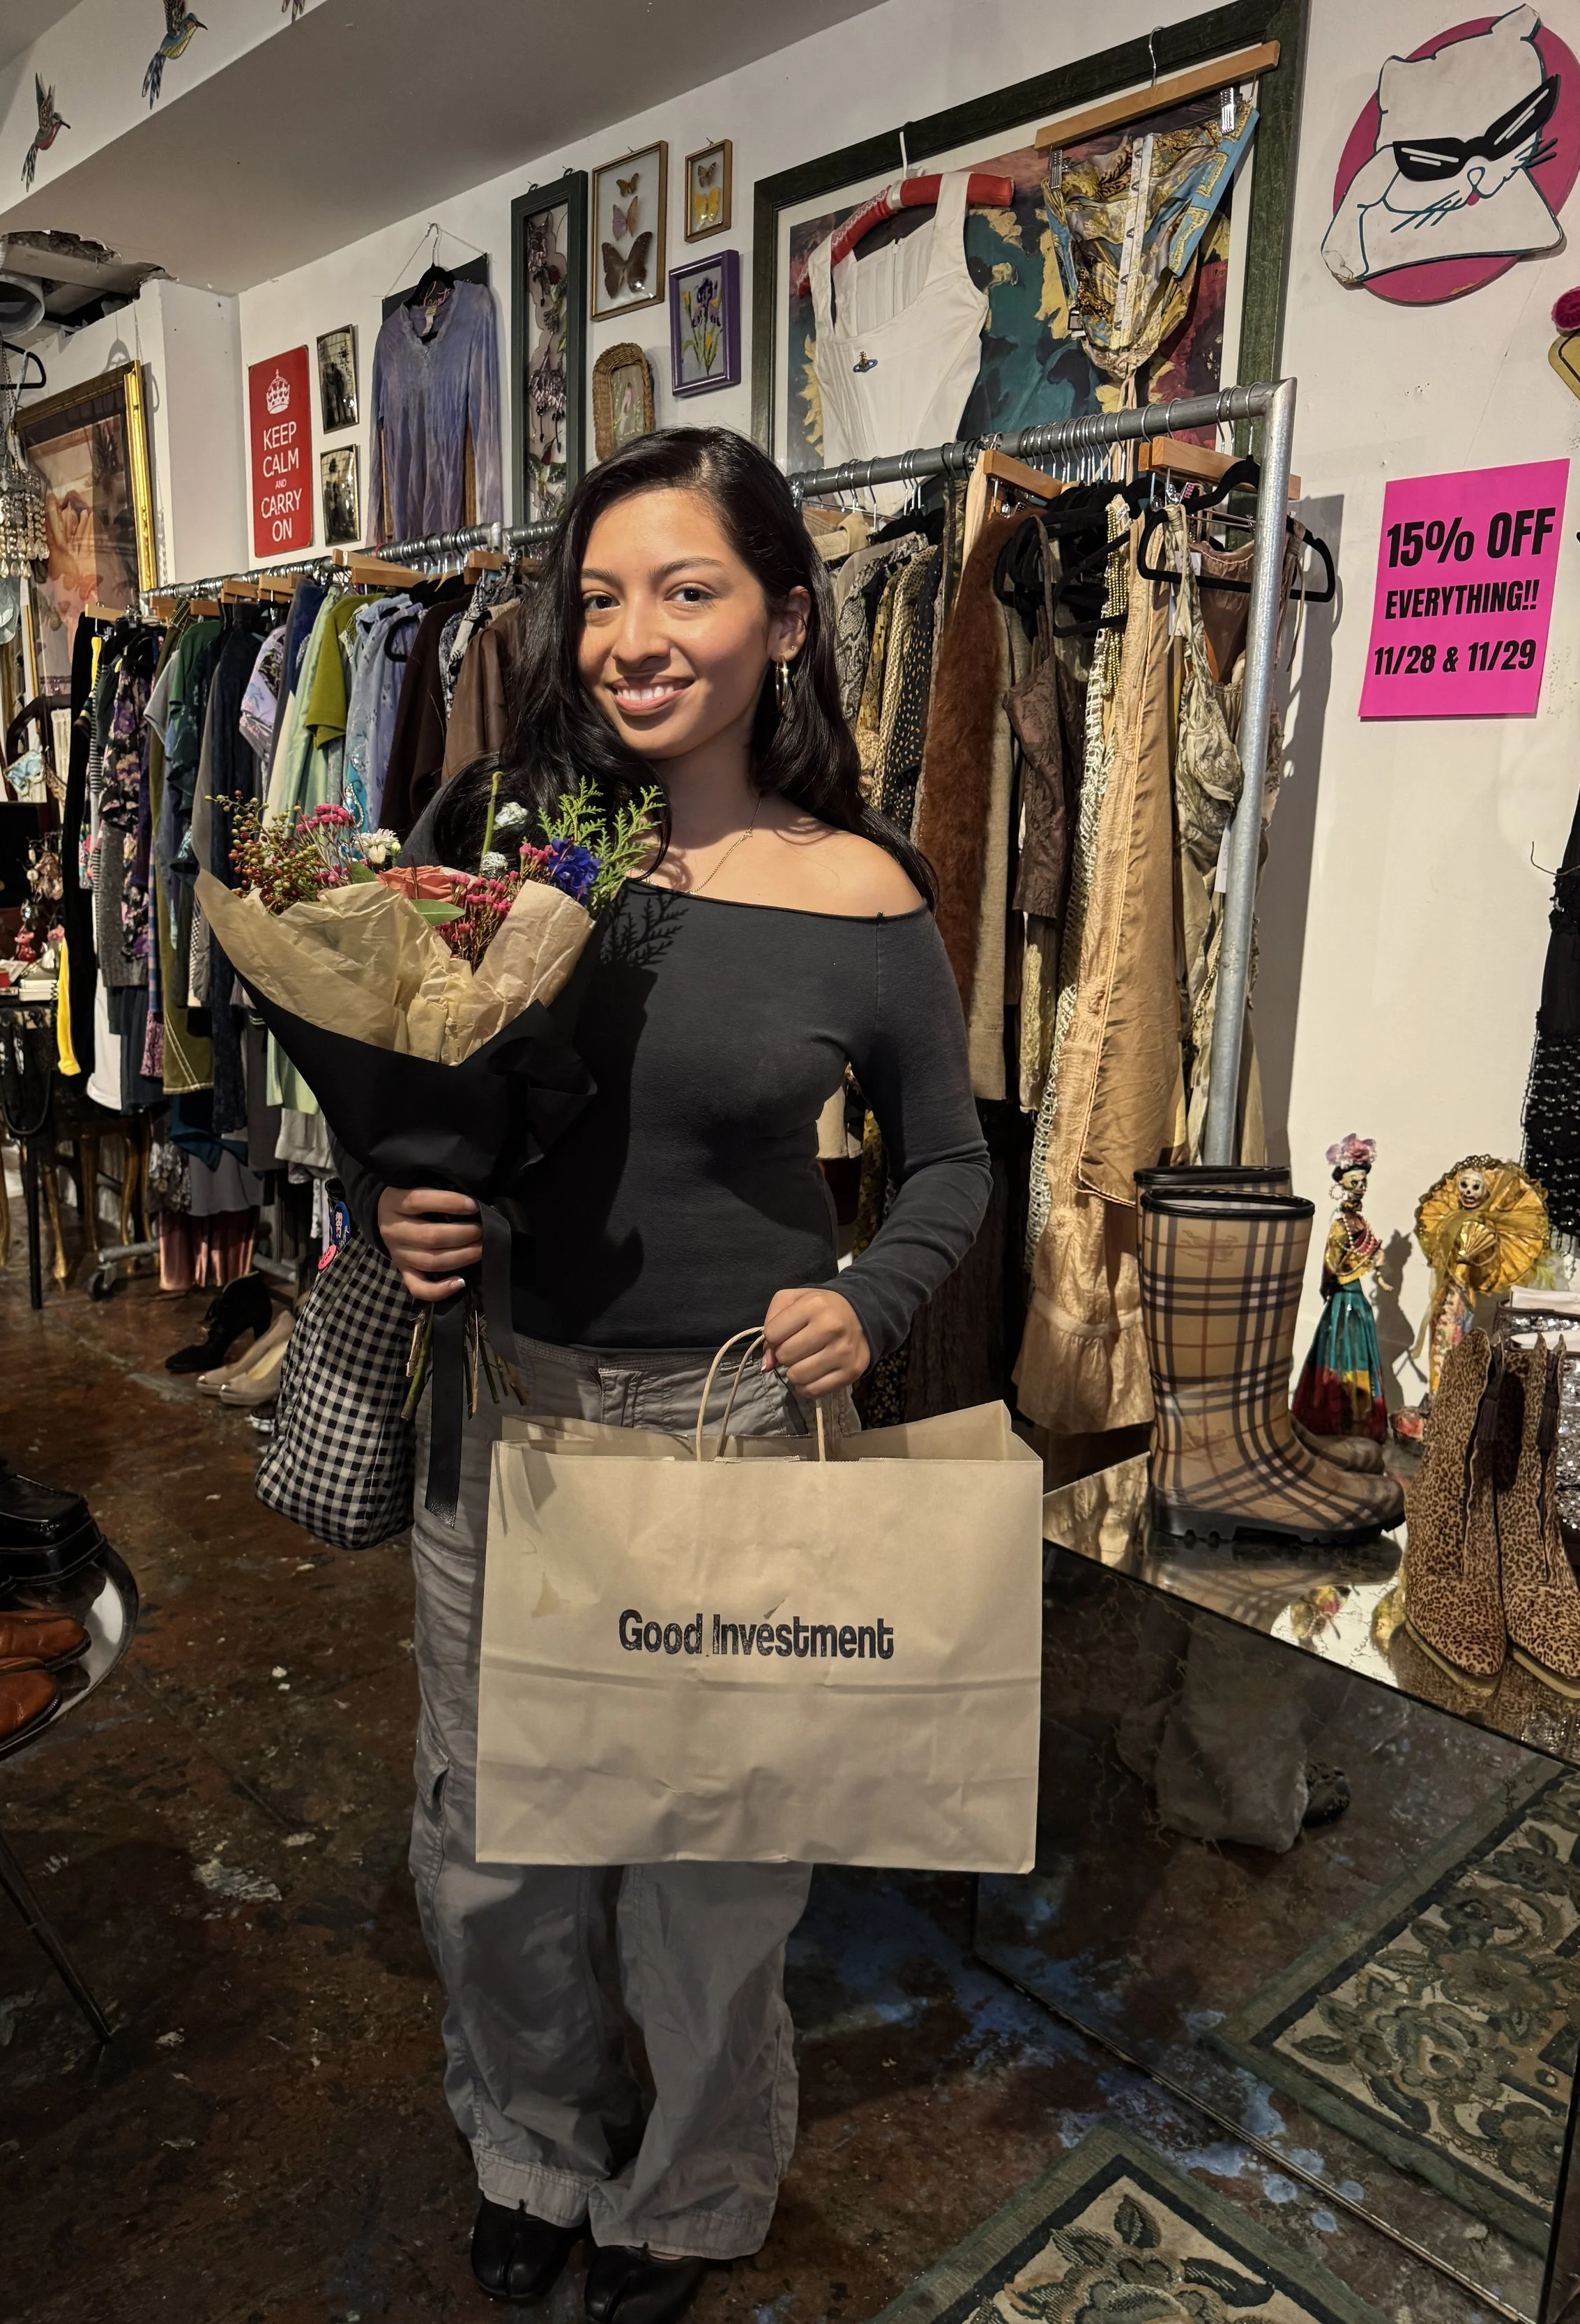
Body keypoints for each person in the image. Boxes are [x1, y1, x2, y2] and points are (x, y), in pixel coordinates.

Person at [339, 427, 990, 2324]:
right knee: (498, 1840)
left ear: (786, 617)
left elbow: (949, 1159)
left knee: (714, 1854)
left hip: (734, 1426)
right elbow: (406, 1093)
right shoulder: (501, 843)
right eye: (602, 592)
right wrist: (400, 1205)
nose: (634, 632)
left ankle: (693, 2189)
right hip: (506, 1411)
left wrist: (871, 1295)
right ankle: (532, 2144)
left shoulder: (864, 894)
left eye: (686, 587)